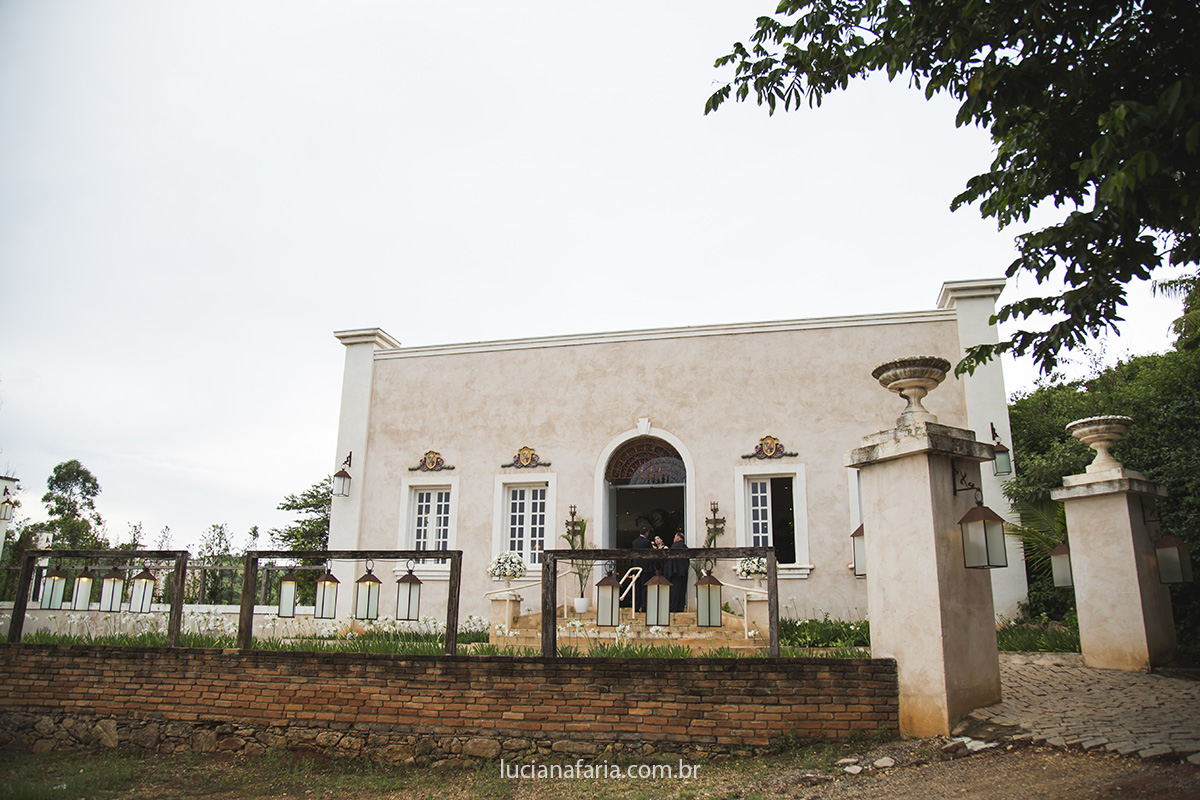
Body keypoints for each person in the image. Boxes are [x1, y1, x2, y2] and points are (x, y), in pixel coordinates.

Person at [666, 532, 689, 612]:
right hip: (683, 573)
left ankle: (673, 610)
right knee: (682, 592)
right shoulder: (685, 547)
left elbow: (671, 561)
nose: (674, 539)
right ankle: (680, 609)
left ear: (678, 538)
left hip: (675, 573)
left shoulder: (674, 546)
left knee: (674, 593)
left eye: (675, 537)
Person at [631, 526, 652, 612]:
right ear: (646, 533)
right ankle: (644, 607)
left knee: (637, 587)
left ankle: (636, 607)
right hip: (645, 568)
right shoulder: (647, 542)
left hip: (636, 567)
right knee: (644, 587)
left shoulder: (634, 542)